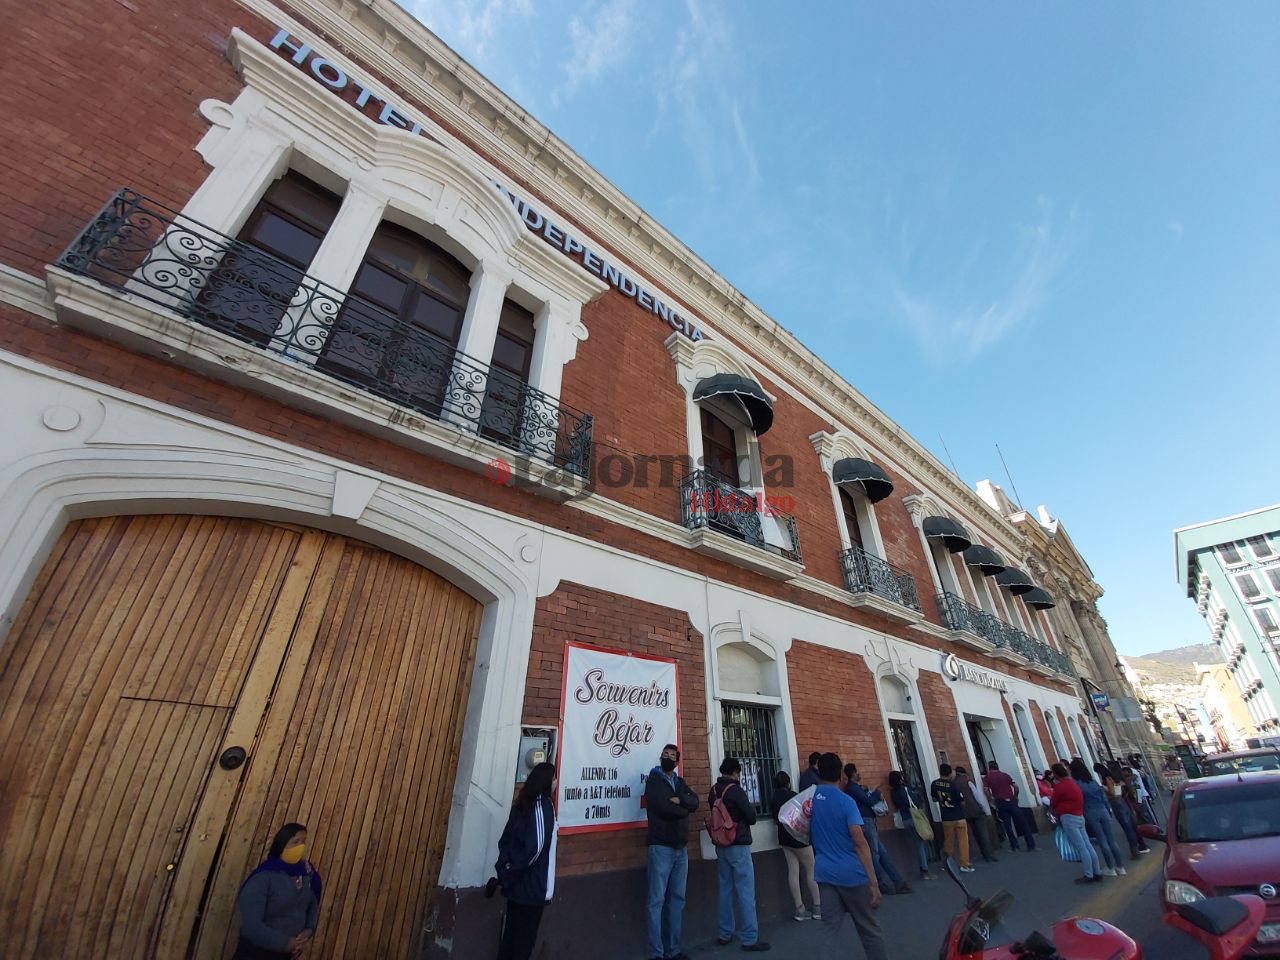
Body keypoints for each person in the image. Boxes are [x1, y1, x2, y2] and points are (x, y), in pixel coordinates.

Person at [810, 753, 888, 960]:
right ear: (840, 775)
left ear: (818, 771)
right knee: (869, 930)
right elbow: (860, 842)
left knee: (828, 931)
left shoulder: (809, 800)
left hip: (824, 873)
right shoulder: (846, 801)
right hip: (852, 875)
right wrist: (873, 882)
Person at [494, 761, 558, 960]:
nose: (556, 782)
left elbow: (505, 841)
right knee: (522, 943)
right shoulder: (542, 808)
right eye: (554, 778)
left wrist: (505, 869)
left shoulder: (521, 804)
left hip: (515, 886)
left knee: (511, 939)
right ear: (548, 782)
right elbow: (535, 848)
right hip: (530, 888)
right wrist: (511, 870)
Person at [234, 823, 321, 960]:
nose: (300, 846)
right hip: (256, 953)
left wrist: (308, 930)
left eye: (303, 841)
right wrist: (286, 943)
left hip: (285, 955)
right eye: (295, 842)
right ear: (282, 844)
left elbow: (312, 905)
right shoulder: (263, 877)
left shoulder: (306, 874)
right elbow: (252, 926)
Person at [645, 743, 699, 960]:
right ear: (661, 758)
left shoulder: (679, 782)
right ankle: (656, 953)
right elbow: (663, 808)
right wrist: (684, 808)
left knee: (677, 899)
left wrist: (682, 801)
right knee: (656, 901)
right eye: (665, 754)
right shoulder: (654, 781)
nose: (668, 758)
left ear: (677, 762)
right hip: (661, 847)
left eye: (672, 756)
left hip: (680, 849)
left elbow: (694, 801)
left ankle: (673, 949)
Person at [709, 757, 769, 951]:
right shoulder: (736, 791)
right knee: (745, 891)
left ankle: (725, 933)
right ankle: (749, 937)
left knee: (725, 889)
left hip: (720, 845)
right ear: (735, 771)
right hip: (738, 844)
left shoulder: (713, 791)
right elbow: (751, 817)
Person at [843, 763, 911, 895]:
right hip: (865, 821)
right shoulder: (852, 788)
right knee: (874, 853)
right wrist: (877, 794)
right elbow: (868, 801)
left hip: (867, 820)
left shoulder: (855, 788)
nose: (859, 774)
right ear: (852, 774)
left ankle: (898, 881)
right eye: (857, 771)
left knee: (881, 852)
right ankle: (879, 883)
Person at [770, 771, 821, 922]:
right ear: (788, 783)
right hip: (799, 838)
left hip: (783, 837)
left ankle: (800, 909)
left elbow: (775, 818)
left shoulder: (774, 799)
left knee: (793, 871)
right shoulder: (793, 796)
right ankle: (818, 907)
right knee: (811, 869)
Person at [1070, 759, 1124, 877]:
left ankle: (1111, 868)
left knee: (1102, 840)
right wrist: (1108, 809)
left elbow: (1079, 802)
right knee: (1111, 840)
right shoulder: (1093, 782)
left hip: (1090, 812)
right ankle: (1120, 867)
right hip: (1103, 810)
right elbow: (1103, 797)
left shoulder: (1076, 785)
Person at [1049, 762, 1100, 885]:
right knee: (1087, 845)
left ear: (1056, 774)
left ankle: (1089, 874)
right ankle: (1097, 871)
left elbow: (1053, 803)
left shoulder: (1060, 787)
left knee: (1081, 847)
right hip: (1079, 815)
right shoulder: (1073, 784)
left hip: (1069, 818)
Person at [888, 770, 934, 880]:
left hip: (905, 819)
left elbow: (897, 805)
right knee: (920, 844)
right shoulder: (905, 789)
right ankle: (925, 869)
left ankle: (922, 867)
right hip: (915, 818)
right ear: (900, 779)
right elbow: (916, 801)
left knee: (916, 843)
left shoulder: (893, 792)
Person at [982, 761, 1035, 852]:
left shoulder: (987, 777)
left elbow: (986, 790)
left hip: (1000, 802)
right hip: (1011, 801)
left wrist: (991, 799)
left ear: (989, 768)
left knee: (1007, 825)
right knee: (1023, 823)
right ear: (997, 767)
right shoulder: (1005, 775)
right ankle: (1030, 845)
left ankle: (1015, 846)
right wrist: (1016, 797)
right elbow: (1016, 786)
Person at [930, 764, 972, 873]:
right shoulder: (954, 785)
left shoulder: (934, 784)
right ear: (949, 773)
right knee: (963, 841)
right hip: (958, 816)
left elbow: (934, 798)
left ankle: (947, 864)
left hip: (946, 818)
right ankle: (964, 864)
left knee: (948, 842)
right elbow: (962, 801)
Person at [1096, 761, 1143, 859]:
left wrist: (1103, 787)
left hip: (1116, 802)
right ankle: (1136, 848)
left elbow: (1112, 792)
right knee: (1130, 826)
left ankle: (1135, 851)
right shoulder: (1114, 776)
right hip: (1121, 801)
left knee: (1127, 827)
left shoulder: (1107, 778)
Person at [953, 765, 998, 863]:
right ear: (964, 773)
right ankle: (988, 855)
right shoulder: (968, 782)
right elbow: (977, 797)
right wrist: (986, 810)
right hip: (976, 811)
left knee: (975, 834)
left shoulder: (953, 783)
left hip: (964, 813)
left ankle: (981, 853)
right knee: (983, 834)